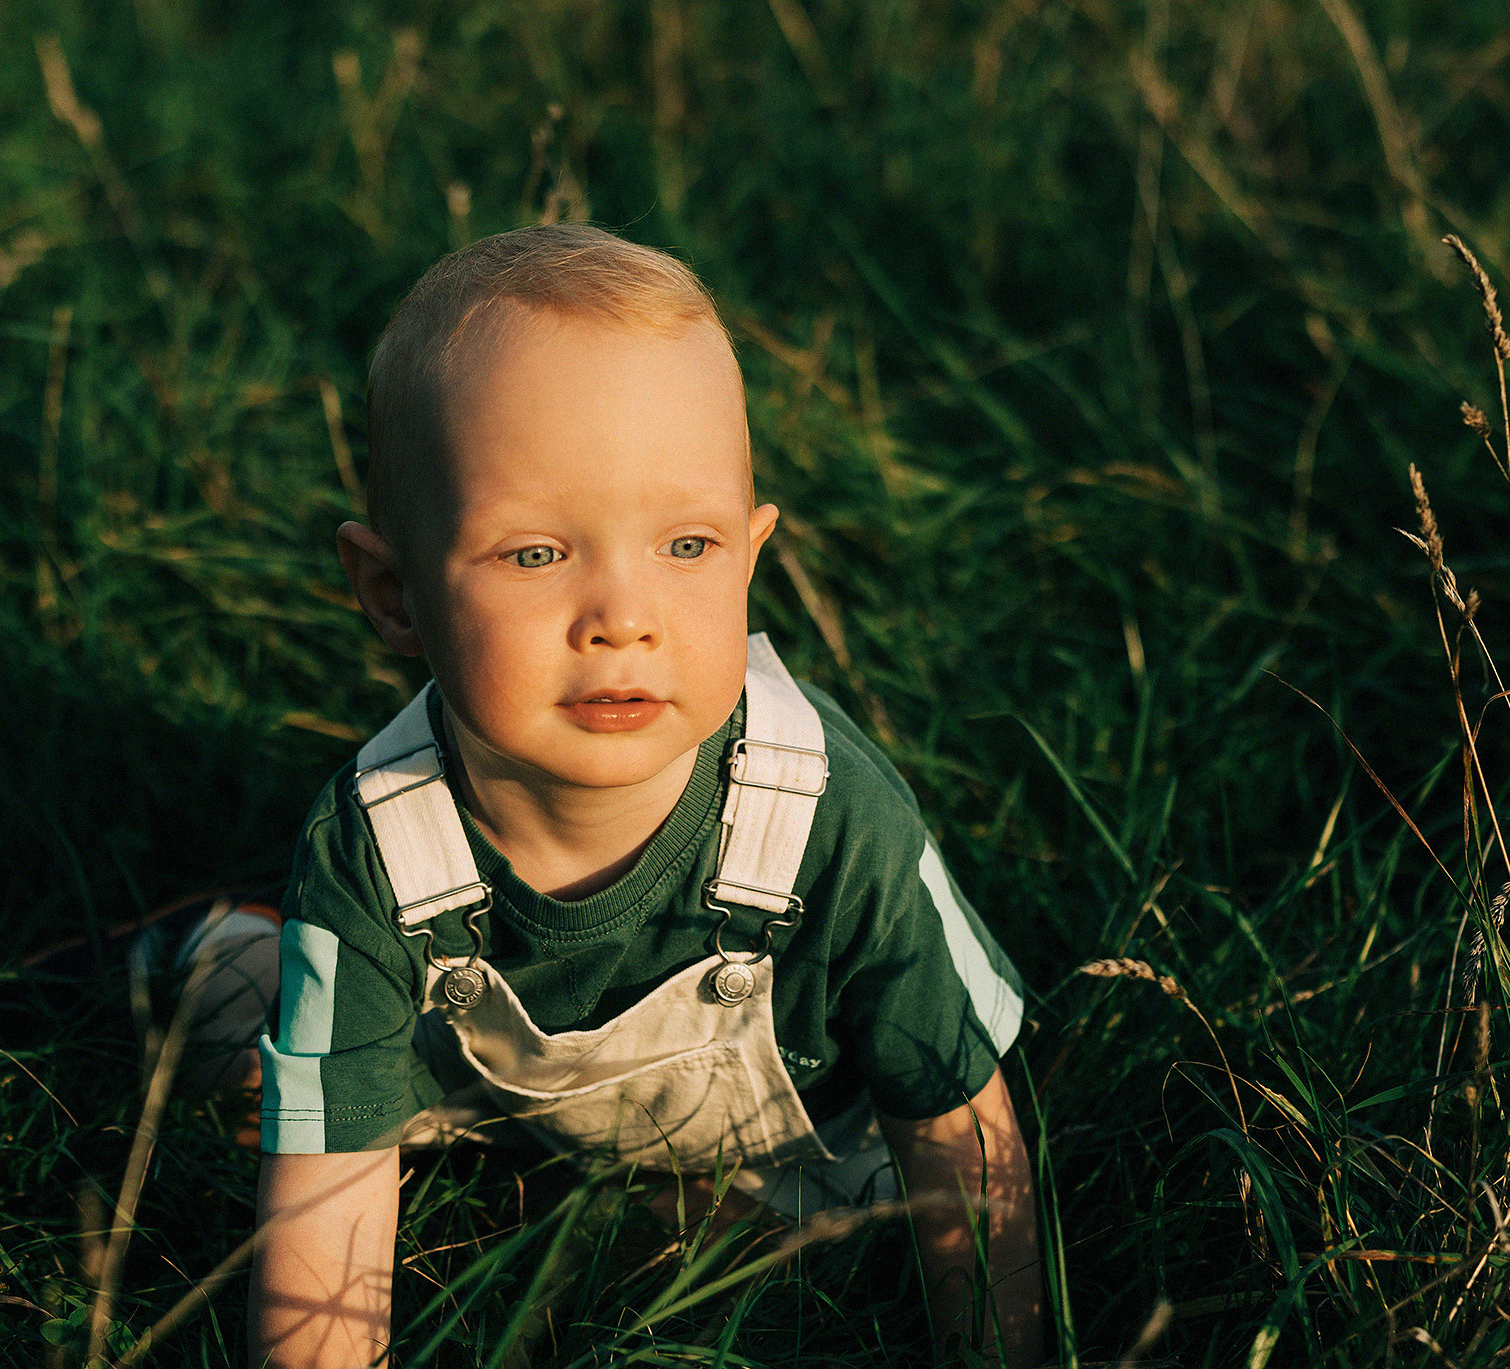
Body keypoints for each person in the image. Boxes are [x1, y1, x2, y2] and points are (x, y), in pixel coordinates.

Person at [243, 223, 1043, 1368]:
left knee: (798, 1254)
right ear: (392, 590)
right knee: (264, 1050)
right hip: (485, 1108)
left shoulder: (828, 814)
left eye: (685, 543)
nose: (623, 614)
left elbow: (957, 1123)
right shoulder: (375, 847)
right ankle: (227, 963)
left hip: (799, 1149)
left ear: (753, 552)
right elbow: (328, 1210)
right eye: (533, 554)